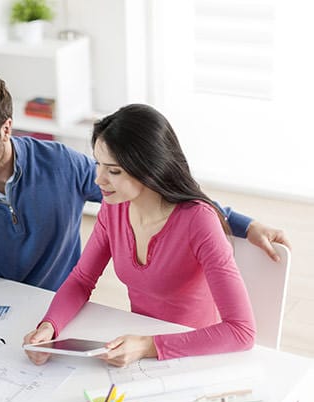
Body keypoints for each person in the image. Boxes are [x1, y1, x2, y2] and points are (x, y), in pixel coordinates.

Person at [0, 67, 288, 365]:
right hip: (12, 313)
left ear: (6, 128)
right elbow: (82, 278)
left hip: (181, 348)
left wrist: (244, 223)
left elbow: (182, 202)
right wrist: (49, 326)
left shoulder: (64, 168)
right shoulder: (112, 204)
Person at [24, 103, 257, 367]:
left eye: (113, 171)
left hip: (192, 355)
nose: (99, 179)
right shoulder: (114, 209)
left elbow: (242, 331)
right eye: (98, 164)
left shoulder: (199, 221)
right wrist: (49, 327)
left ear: (149, 168)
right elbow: (81, 280)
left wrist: (149, 345)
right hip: (141, 350)